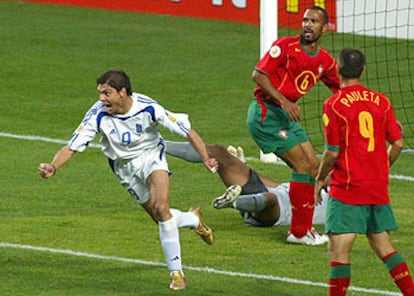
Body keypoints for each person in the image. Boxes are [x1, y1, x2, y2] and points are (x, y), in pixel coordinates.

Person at [38, 69, 219, 291]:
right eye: (100, 93)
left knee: (162, 208)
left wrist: (206, 158)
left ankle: (177, 273)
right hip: (124, 168)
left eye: (107, 93)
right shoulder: (97, 114)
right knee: (160, 218)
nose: (102, 99)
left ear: (123, 92)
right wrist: (53, 166)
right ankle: (193, 219)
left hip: (152, 157)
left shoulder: (148, 107)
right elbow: (72, 146)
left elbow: (187, 131)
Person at [314, 48, 414, 295]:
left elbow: (333, 152)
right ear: (363, 70)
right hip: (377, 186)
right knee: (384, 246)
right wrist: (381, 166)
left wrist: (318, 179)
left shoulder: (334, 104)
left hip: (348, 188)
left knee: (339, 250)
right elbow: (398, 143)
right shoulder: (382, 101)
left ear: (336, 69)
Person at [246, 6, 340, 245]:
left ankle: (303, 228)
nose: (308, 25)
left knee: (312, 167)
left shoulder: (325, 61)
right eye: (305, 20)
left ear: (325, 28)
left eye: (314, 21)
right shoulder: (285, 47)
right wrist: (284, 101)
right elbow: (258, 74)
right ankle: (299, 232)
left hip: (286, 117)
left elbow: (342, 87)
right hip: (266, 114)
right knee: (302, 166)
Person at [165, 141, 327, 232]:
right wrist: (247, 169)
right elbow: (278, 187)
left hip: (279, 213)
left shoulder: (342, 202)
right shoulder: (314, 185)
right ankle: (158, 144)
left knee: (270, 199)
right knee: (217, 152)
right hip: (275, 191)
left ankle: (234, 202)